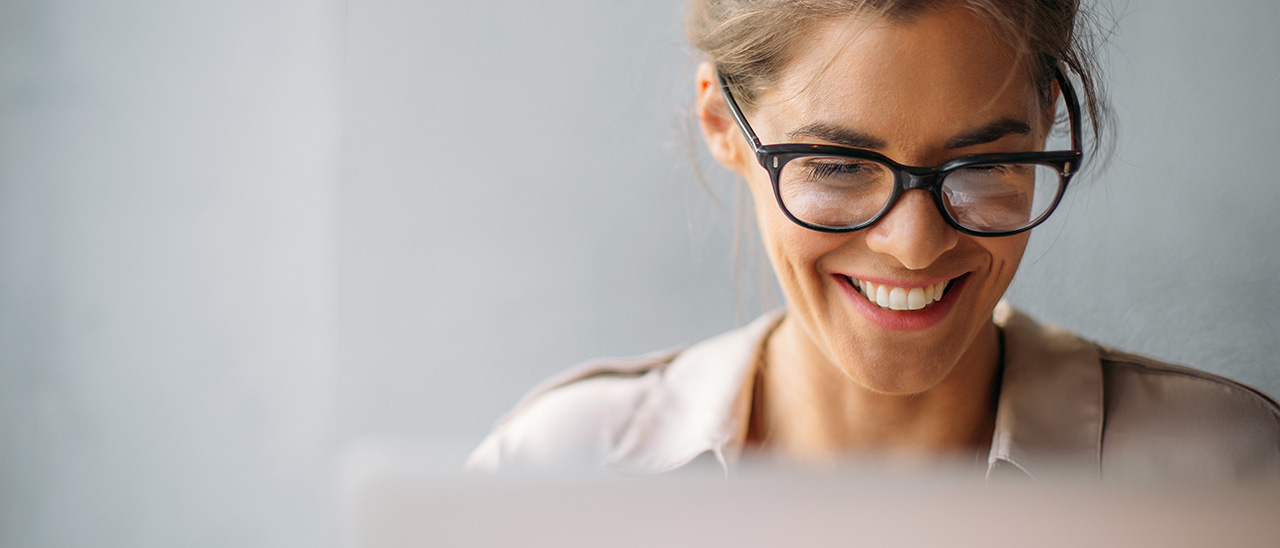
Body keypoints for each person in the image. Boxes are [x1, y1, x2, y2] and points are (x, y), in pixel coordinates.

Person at [467, 0, 1280, 481]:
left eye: (984, 163)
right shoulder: (557, 473)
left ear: (1045, 128)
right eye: (838, 164)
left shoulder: (1230, 470)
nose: (915, 246)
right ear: (722, 124)